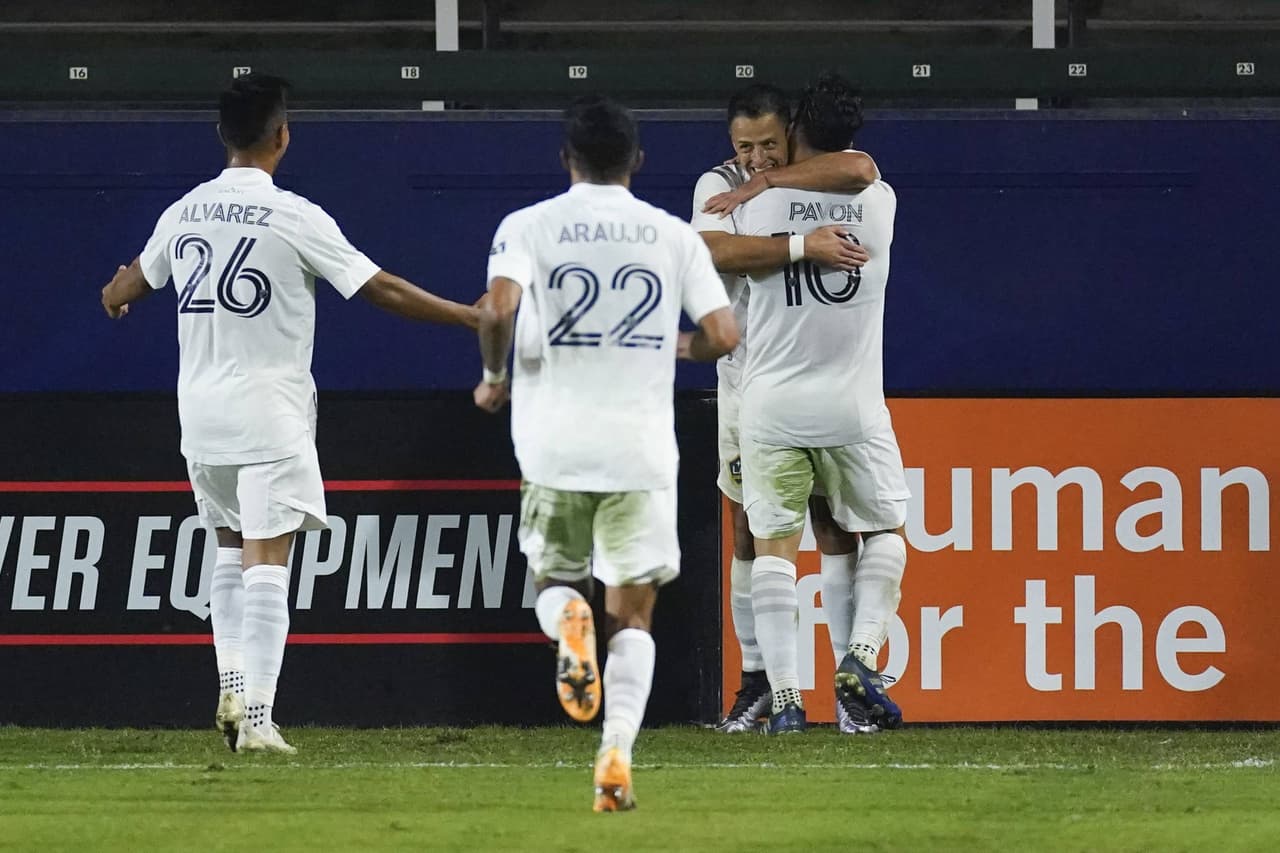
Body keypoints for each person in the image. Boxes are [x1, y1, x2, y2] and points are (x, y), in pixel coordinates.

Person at [100, 73, 479, 754]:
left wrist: (115, 292)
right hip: (268, 414)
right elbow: (380, 288)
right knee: (268, 559)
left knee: (226, 546)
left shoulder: (185, 210)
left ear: (223, 135)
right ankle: (257, 717)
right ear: (282, 135)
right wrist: (468, 316)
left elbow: (129, 285)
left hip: (201, 419)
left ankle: (232, 681)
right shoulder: (293, 214)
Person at [473, 95, 737, 812]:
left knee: (555, 581)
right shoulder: (671, 235)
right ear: (637, 161)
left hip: (555, 445)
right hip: (640, 451)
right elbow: (724, 331)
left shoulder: (528, 225)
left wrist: (495, 378)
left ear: (567, 159)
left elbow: (496, 309)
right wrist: (682, 345)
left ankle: (566, 623)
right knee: (634, 617)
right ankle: (614, 750)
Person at [689, 83, 882, 734]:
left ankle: (849, 693)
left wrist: (769, 188)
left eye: (769, 143)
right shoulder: (717, 186)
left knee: (832, 525)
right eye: (745, 147)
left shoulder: (815, 180)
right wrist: (800, 243)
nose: (758, 158)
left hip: (803, 374)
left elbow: (858, 167)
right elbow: (709, 254)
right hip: (748, 380)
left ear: (790, 133)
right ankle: (760, 684)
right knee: (750, 529)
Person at [728, 73, 909, 735]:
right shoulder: (881, 202)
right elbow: (860, 171)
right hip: (851, 405)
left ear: (796, 130)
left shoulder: (757, 209)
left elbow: (718, 248)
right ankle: (860, 657)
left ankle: (784, 704)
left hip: (770, 402)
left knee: (774, 548)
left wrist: (766, 184)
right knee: (884, 532)